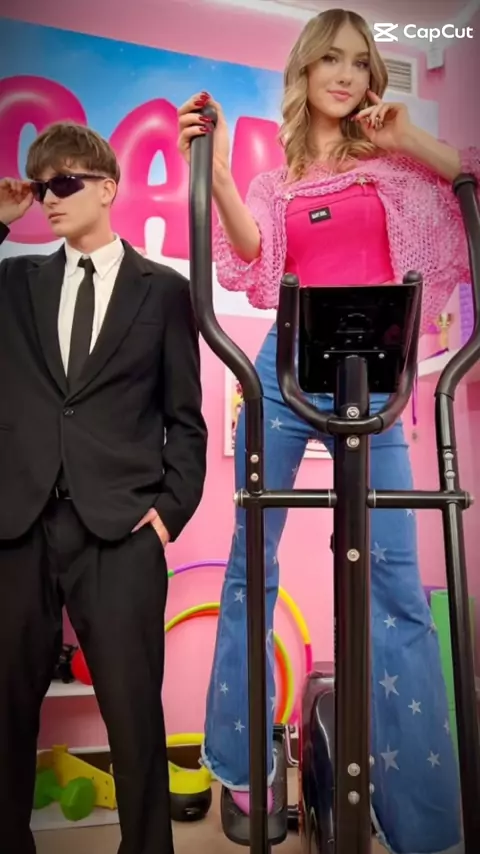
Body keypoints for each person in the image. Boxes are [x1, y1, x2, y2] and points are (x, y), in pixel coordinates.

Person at [178, 8, 479, 854]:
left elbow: (468, 180)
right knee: (252, 561)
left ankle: (421, 813)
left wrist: (407, 135)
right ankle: (245, 768)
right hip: (285, 366)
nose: (346, 76)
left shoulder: (396, 166)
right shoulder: (277, 183)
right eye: (331, 61)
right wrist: (223, 179)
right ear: (305, 72)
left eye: (359, 62)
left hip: (374, 373)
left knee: (396, 584)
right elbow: (256, 259)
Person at [0, 122, 207, 854]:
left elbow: (186, 418)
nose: (50, 199)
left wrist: (168, 514)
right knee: (5, 714)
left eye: (64, 183)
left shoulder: (165, 291)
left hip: (120, 531)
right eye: (40, 187)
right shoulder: (14, 281)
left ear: (107, 187)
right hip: (18, 526)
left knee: (134, 717)